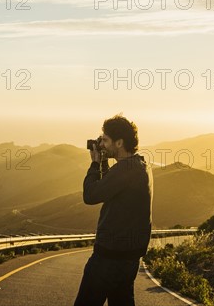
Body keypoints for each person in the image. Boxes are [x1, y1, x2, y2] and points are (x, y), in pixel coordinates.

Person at [73, 114, 153, 306]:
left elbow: (90, 195)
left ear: (119, 143)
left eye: (105, 140)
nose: (102, 144)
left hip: (109, 258)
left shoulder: (125, 170)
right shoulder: (139, 165)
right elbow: (113, 187)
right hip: (128, 257)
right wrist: (104, 162)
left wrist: (94, 163)